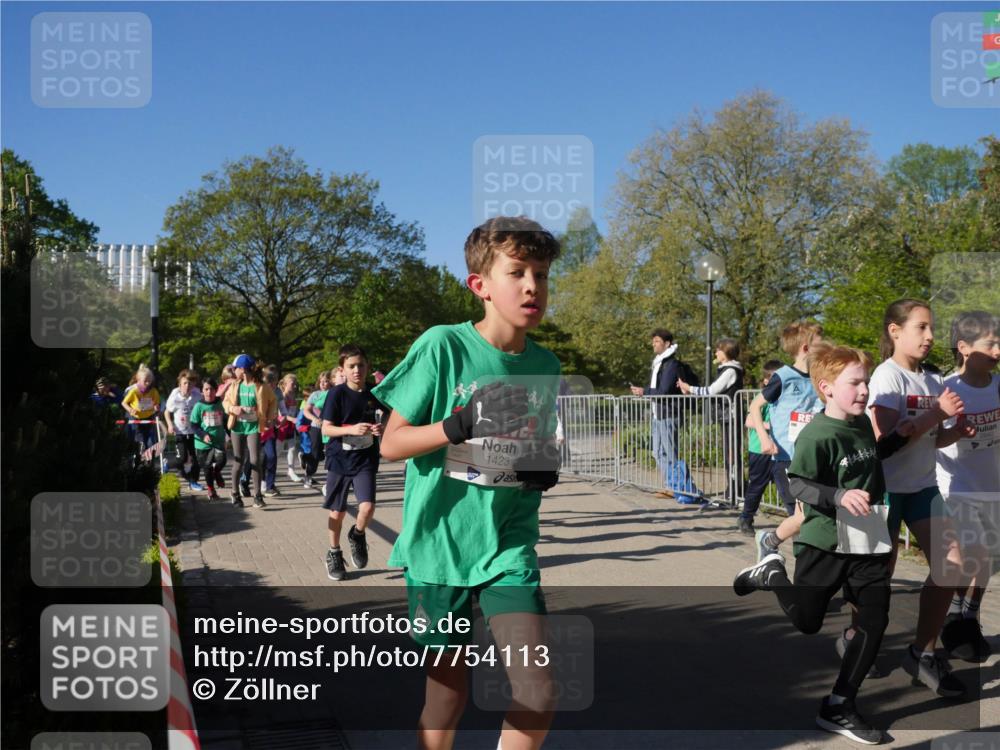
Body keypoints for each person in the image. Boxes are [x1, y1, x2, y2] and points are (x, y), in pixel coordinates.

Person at [375, 216, 561, 750]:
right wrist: (456, 425)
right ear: (479, 285)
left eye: (543, 275)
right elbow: (392, 444)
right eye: (518, 272)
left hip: (508, 546)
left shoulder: (545, 365)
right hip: (440, 547)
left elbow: (525, 454)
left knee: (538, 690)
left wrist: (538, 470)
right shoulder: (443, 346)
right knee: (446, 696)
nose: (532, 286)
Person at [733, 343, 912, 744]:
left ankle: (840, 704)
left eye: (865, 381)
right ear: (827, 387)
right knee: (808, 621)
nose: (864, 390)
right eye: (855, 383)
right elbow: (797, 483)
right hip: (824, 541)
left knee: (874, 618)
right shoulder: (817, 433)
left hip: (866, 537)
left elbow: (867, 458)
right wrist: (837, 496)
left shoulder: (861, 422)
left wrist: (897, 438)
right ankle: (771, 572)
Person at [867, 299, 973, 698]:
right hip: (882, 492)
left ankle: (922, 652)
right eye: (921, 328)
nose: (930, 337)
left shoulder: (930, 381)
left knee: (951, 567)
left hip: (923, 488)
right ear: (895, 331)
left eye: (932, 329)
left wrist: (954, 433)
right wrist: (936, 415)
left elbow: (928, 440)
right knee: (876, 579)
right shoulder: (885, 377)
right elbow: (886, 443)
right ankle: (859, 638)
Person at [936, 311, 1000, 664]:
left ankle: (969, 615)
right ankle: (954, 614)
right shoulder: (947, 389)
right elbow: (932, 439)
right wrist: (956, 433)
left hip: (992, 484)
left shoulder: (998, 385)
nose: (998, 349)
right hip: (956, 487)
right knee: (971, 552)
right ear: (963, 348)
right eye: (990, 343)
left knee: (988, 556)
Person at [750, 321, 825, 558]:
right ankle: (789, 553)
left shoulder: (819, 376)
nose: (825, 343)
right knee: (800, 514)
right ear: (806, 348)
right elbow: (755, 405)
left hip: (815, 457)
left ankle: (802, 560)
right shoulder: (783, 377)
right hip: (786, 458)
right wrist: (764, 438)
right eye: (819, 340)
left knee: (810, 515)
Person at [320, 344, 386, 581]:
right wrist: (350, 429)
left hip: (365, 457)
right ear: (343, 369)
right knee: (337, 511)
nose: (357, 370)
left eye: (360, 365)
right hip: (340, 459)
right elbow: (326, 428)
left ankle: (357, 535)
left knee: (367, 507)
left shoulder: (374, 392)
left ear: (367, 367)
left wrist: (380, 428)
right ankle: (334, 552)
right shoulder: (336, 394)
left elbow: (384, 418)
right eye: (351, 366)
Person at [677, 337, 744, 502]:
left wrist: (689, 388)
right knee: (729, 454)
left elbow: (712, 390)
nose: (716, 352)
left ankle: (736, 491)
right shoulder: (725, 369)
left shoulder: (730, 371)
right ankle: (734, 489)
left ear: (726, 352)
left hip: (732, 417)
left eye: (718, 350)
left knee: (732, 455)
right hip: (726, 417)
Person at [629, 329, 690, 498]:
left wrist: (644, 391)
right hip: (658, 414)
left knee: (670, 452)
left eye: (656, 341)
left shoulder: (671, 365)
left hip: (669, 414)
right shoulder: (659, 363)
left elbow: (664, 390)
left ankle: (676, 488)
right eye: (653, 341)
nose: (653, 344)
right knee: (657, 452)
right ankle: (670, 485)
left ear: (667, 343)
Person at [223, 354, 277, 509]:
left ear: (244, 369)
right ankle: (235, 494)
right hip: (238, 427)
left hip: (253, 426)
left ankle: (258, 496)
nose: (235, 371)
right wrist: (233, 408)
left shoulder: (261, 386)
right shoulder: (234, 386)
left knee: (255, 460)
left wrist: (270, 417)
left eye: (236, 368)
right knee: (238, 461)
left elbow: (273, 401)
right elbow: (226, 402)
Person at [736, 360, 784, 535]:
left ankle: (795, 520)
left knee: (786, 486)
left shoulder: (785, 398)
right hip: (760, 450)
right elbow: (749, 421)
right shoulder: (762, 397)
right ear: (766, 381)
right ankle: (746, 518)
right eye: (775, 378)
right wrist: (771, 425)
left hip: (781, 449)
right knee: (757, 485)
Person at [190, 377, 228, 503]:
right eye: (206, 389)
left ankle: (217, 472)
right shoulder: (198, 406)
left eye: (211, 389)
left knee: (222, 461)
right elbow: (194, 425)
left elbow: (226, 421)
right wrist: (203, 435)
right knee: (206, 467)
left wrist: (230, 435)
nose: (209, 392)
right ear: (202, 391)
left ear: (216, 390)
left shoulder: (220, 404)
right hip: (202, 443)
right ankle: (211, 490)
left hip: (218, 440)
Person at [165, 369, 203, 491]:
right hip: (179, 432)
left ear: (194, 385)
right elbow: (167, 412)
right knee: (181, 459)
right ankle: (167, 465)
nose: (187, 386)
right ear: (180, 384)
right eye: (185, 383)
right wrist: (170, 425)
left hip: (194, 432)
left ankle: (193, 482)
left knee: (196, 458)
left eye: (190, 384)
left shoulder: (197, 395)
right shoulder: (174, 396)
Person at [301, 370, 332, 489]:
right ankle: (308, 475)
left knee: (331, 453)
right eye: (322, 382)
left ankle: (331, 480)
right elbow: (306, 410)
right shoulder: (315, 395)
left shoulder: (334, 393)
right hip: (317, 427)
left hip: (331, 427)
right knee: (316, 454)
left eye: (327, 381)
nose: (324, 384)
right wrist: (314, 418)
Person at [121, 364, 161, 453]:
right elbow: (124, 403)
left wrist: (156, 407)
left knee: (147, 436)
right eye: (145, 381)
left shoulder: (153, 391)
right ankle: (139, 449)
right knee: (139, 436)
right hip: (136, 417)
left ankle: (145, 455)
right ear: (138, 380)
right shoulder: (133, 391)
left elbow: (157, 403)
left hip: (148, 417)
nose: (148, 383)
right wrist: (130, 409)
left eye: (149, 381)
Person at [278, 373, 302, 482]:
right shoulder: (282, 397)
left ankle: (291, 471)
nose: (295, 386)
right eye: (292, 384)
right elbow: (282, 413)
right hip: (281, 426)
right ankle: (268, 470)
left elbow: (294, 412)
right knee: (277, 451)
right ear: (285, 384)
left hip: (291, 427)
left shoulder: (293, 397)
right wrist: (293, 419)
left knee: (292, 448)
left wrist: (298, 418)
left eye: (295, 384)